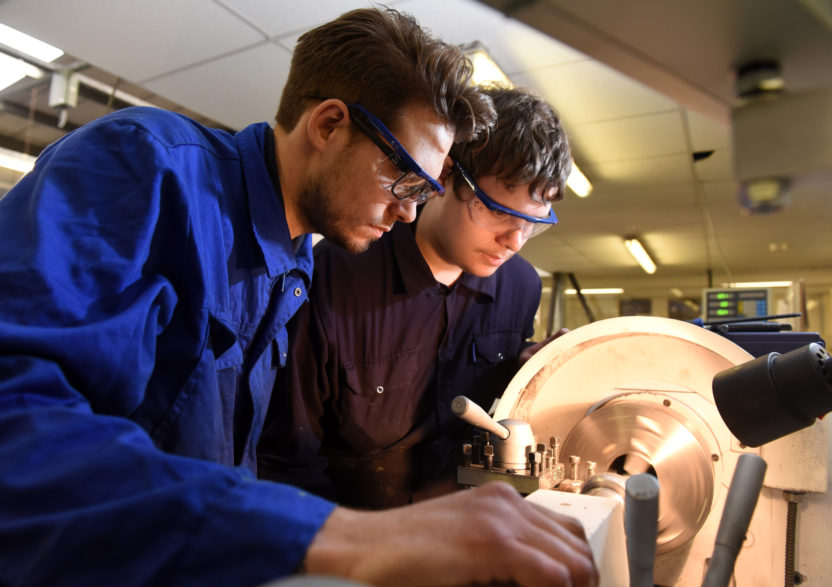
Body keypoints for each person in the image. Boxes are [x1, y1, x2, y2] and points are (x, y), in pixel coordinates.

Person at [0, 7, 597, 587]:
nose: (410, 209)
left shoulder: (293, 266)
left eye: (426, 189)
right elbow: (18, 422)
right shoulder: (147, 167)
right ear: (329, 125)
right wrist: (342, 537)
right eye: (405, 179)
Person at [258, 86, 572, 510]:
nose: (514, 242)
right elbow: (286, 459)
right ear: (444, 175)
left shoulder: (520, 287)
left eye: (532, 223)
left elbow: (493, 408)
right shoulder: (334, 276)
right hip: (358, 535)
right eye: (498, 212)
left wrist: (529, 370)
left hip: (470, 522)